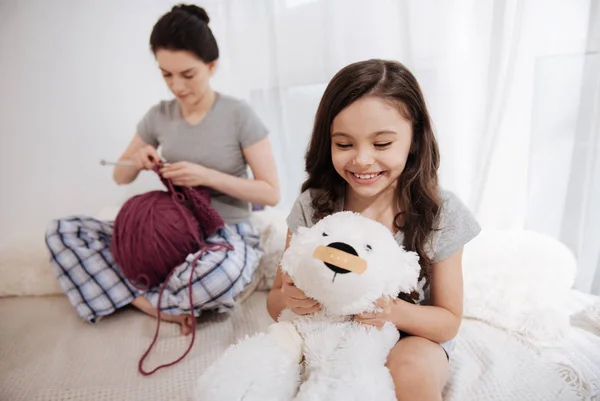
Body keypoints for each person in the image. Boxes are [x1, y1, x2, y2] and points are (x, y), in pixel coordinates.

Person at [45, 4, 279, 336]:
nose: (177, 86)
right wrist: (139, 160)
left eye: (187, 74)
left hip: (225, 231)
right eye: (166, 74)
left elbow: (271, 192)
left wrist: (205, 176)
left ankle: (134, 290)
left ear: (211, 66)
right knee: (62, 232)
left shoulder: (238, 114)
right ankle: (154, 301)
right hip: (171, 232)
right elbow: (119, 175)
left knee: (220, 275)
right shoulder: (159, 116)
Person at [266, 59, 480, 401]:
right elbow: (277, 300)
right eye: (344, 144)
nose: (363, 160)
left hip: (413, 336)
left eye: (382, 145)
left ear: (414, 140)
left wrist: (391, 312)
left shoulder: (441, 212)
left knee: (408, 371)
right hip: (329, 334)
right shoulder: (313, 206)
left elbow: (447, 321)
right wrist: (292, 299)